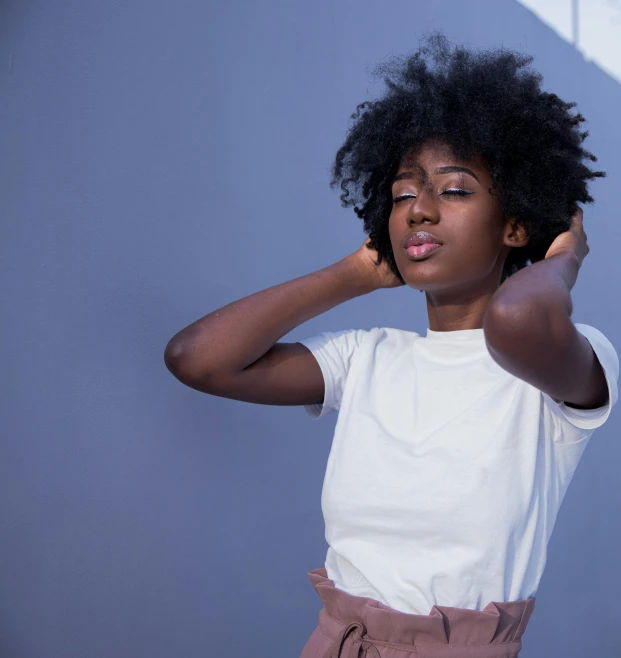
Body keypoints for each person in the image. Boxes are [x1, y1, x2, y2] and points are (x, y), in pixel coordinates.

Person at [164, 32, 619, 658]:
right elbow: (197, 358)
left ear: (516, 225)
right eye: (404, 195)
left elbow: (515, 319)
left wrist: (565, 255)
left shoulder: (565, 358)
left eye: (454, 190)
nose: (419, 212)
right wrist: (360, 271)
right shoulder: (364, 358)